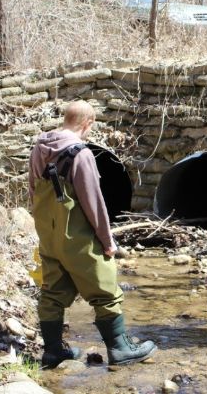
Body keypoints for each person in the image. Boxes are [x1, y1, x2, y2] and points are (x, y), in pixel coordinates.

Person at [28, 100, 157, 368]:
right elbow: (93, 202)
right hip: (76, 235)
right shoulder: (81, 153)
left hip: (48, 233)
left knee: (53, 290)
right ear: (88, 123)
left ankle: (53, 351)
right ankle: (120, 349)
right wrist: (107, 241)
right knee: (105, 286)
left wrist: (45, 226)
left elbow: (32, 190)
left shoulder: (38, 149)